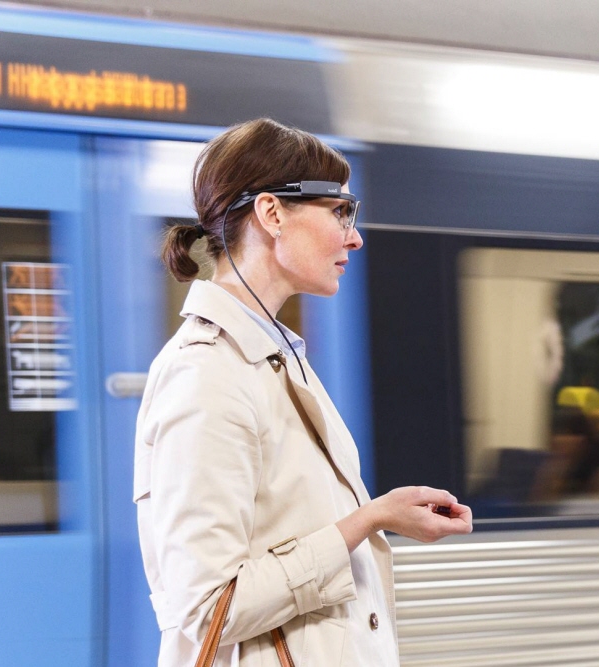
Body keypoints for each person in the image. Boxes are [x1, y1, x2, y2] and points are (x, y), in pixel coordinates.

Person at [135, 118, 474, 667]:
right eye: (340, 211)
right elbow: (206, 609)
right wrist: (368, 520)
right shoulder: (207, 375)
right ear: (272, 214)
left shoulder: (272, 355)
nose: (355, 236)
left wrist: (380, 515)